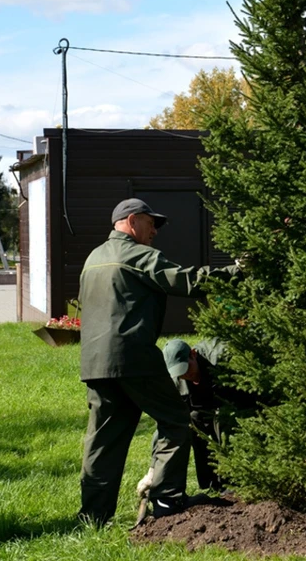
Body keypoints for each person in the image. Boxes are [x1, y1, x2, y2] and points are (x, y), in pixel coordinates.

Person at [76, 198, 239, 525]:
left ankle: (93, 517)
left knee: (103, 441)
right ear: (132, 221)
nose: (155, 232)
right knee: (176, 420)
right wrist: (237, 273)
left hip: (94, 362)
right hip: (132, 357)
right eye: (152, 224)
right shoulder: (136, 255)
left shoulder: (93, 258)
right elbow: (186, 281)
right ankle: (166, 502)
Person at [137, 338, 260, 497]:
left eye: (186, 369)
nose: (185, 376)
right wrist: (152, 472)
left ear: (193, 355)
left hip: (234, 403)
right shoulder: (176, 379)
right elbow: (167, 424)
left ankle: (233, 481)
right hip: (203, 406)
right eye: (180, 373)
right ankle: (211, 483)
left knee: (222, 420)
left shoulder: (221, 359)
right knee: (192, 421)